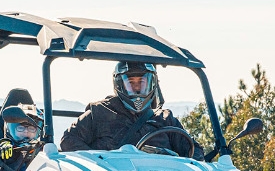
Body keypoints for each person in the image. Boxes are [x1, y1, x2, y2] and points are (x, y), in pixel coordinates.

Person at [60, 61, 204, 160]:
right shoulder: (99, 112)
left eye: (141, 83)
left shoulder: (165, 119)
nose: (136, 88)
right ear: (119, 85)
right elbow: (69, 141)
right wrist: (99, 162)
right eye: (131, 83)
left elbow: (195, 152)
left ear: (152, 84)